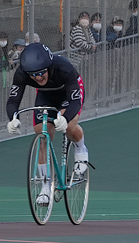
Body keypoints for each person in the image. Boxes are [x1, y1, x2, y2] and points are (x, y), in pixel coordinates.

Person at [6, 43, 88, 207]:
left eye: (40, 72)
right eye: (33, 74)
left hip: (68, 94)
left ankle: (81, 149)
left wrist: (66, 117)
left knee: (69, 126)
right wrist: (13, 118)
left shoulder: (64, 68)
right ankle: (45, 186)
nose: (37, 77)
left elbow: (75, 101)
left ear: (48, 66)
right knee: (42, 135)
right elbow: (13, 100)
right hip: (46, 96)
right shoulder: (22, 73)